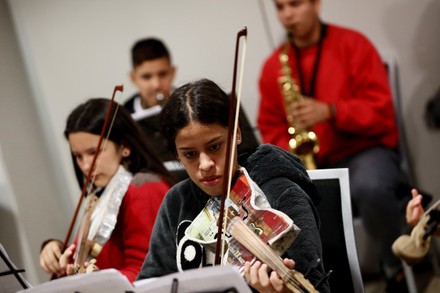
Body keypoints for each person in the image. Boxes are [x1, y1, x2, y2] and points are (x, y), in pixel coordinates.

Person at [257, 0, 406, 291]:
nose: (287, 14)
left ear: (316, 4)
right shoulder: (273, 67)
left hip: (363, 150)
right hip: (311, 163)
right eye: (280, 7)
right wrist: (293, 143)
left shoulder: (353, 44)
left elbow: (382, 111)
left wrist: (332, 111)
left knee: (371, 187)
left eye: (295, 4)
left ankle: (393, 266)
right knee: (283, 202)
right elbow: (268, 127)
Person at [136, 78, 330, 293]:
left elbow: (316, 287)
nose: (205, 164)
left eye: (215, 146)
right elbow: (151, 282)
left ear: (236, 133)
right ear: (176, 153)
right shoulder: (176, 203)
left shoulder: (280, 192)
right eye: (189, 154)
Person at [39, 98, 173, 282]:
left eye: (94, 152)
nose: (86, 166)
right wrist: (57, 251)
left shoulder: (144, 188)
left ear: (125, 146)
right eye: (78, 156)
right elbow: (85, 260)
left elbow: (146, 272)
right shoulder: (102, 192)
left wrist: (94, 282)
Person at [124, 38, 259, 181]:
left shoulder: (197, 103)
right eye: (146, 77)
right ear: (133, 78)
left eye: (162, 74)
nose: (156, 84)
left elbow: (248, 153)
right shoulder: (125, 120)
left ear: (173, 72)